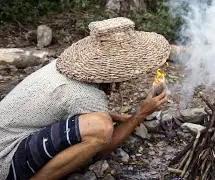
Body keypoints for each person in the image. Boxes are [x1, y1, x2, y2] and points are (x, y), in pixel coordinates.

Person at [0, 17, 171, 180]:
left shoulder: (66, 66)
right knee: (101, 127)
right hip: (6, 158)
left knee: (99, 122)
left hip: (7, 135)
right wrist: (140, 114)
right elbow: (104, 147)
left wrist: (117, 117)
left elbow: (64, 106)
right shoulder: (86, 94)